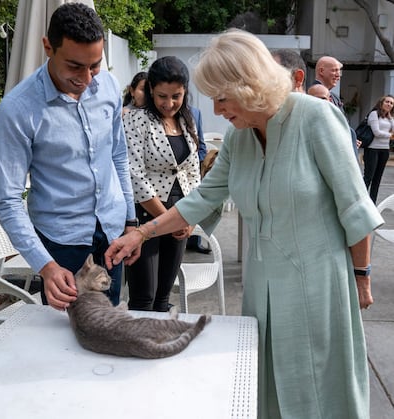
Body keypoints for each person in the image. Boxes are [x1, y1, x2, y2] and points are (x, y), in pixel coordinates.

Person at [105, 29, 383, 418]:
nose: (216, 110)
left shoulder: (316, 118)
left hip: (319, 285)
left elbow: (355, 208)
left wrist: (361, 277)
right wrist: (143, 232)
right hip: (263, 287)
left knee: (320, 390)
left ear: (251, 85)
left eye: (223, 97)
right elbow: (201, 198)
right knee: (267, 387)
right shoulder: (239, 137)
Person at [0, 2, 137, 310]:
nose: (87, 78)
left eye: (95, 64)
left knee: (108, 324)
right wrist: (45, 265)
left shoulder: (109, 86)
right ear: (48, 47)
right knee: (66, 340)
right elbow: (7, 201)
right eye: (74, 66)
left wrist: (130, 220)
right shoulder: (18, 109)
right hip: (62, 243)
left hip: (111, 230)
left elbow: (117, 155)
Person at [122, 55, 201, 311]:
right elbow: (135, 174)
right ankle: (137, 346)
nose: (169, 103)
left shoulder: (186, 121)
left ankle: (160, 346)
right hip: (147, 212)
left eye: (176, 96)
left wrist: (190, 217)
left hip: (181, 212)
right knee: (144, 296)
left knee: (164, 296)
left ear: (185, 92)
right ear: (151, 91)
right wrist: (168, 218)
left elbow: (192, 171)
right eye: (162, 96)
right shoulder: (135, 120)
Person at [186, 105, 211, 254]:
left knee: (196, 204)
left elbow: (201, 143)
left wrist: (199, 163)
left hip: (193, 170)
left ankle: (195, 241)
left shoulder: (195, 112)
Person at [363, 94, 394, 203]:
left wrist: (391, 121)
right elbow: (376, 132)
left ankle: (372, 203)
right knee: (368, 177)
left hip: (384, 150)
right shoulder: (374, 114)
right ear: (381, 103)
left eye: (391, 103)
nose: (389, 104)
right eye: (387, 102)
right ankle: (361, 202)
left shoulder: (390, 118)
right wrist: (390, 135)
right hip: (372, 149)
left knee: (377, 179)